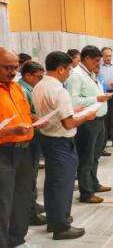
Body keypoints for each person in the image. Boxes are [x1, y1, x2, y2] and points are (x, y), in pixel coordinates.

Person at [33, 51, 97, 240]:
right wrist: (86, 115)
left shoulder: (40, 85)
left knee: (52, 183)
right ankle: (61, 227)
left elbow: (54, 111)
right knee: (63, 184)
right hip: (61, 142)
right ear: (60, 69)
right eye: (68, 69)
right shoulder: (59, 90)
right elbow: (68, 123)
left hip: (47, 138)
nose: (70, 72)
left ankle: (54, 220)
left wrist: (73, 110)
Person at [66, 45, 112, 204]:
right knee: (86, 158)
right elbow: (73, 101)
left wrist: (101, 96)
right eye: (97, 61)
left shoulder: (90, 73)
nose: (99, 64)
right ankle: (86, 192)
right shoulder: (76, 76)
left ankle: (94, 183)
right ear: (86, 59)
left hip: (99, 120)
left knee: (95, 156)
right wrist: (96, 99)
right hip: (87, 122)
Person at [0, 47, 35, 248]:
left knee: (22, 197)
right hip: (3, 153)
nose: (13, 72)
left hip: (24, 150)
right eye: (7, 67)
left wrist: (37, 121)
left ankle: (16, 240)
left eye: (16, 67)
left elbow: (24, 114)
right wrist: (9, 131)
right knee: (3, 203)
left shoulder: (15, 87)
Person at [18, 61, 46, 226]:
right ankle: (30, 213)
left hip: (33, 135)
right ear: (27, 75)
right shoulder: (22, 89)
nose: (40, 80)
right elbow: (28, 115)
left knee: (32, 174)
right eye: (38, 77)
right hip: (28, 137)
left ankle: (31, 205)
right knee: (28, 176)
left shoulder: (30, 88)